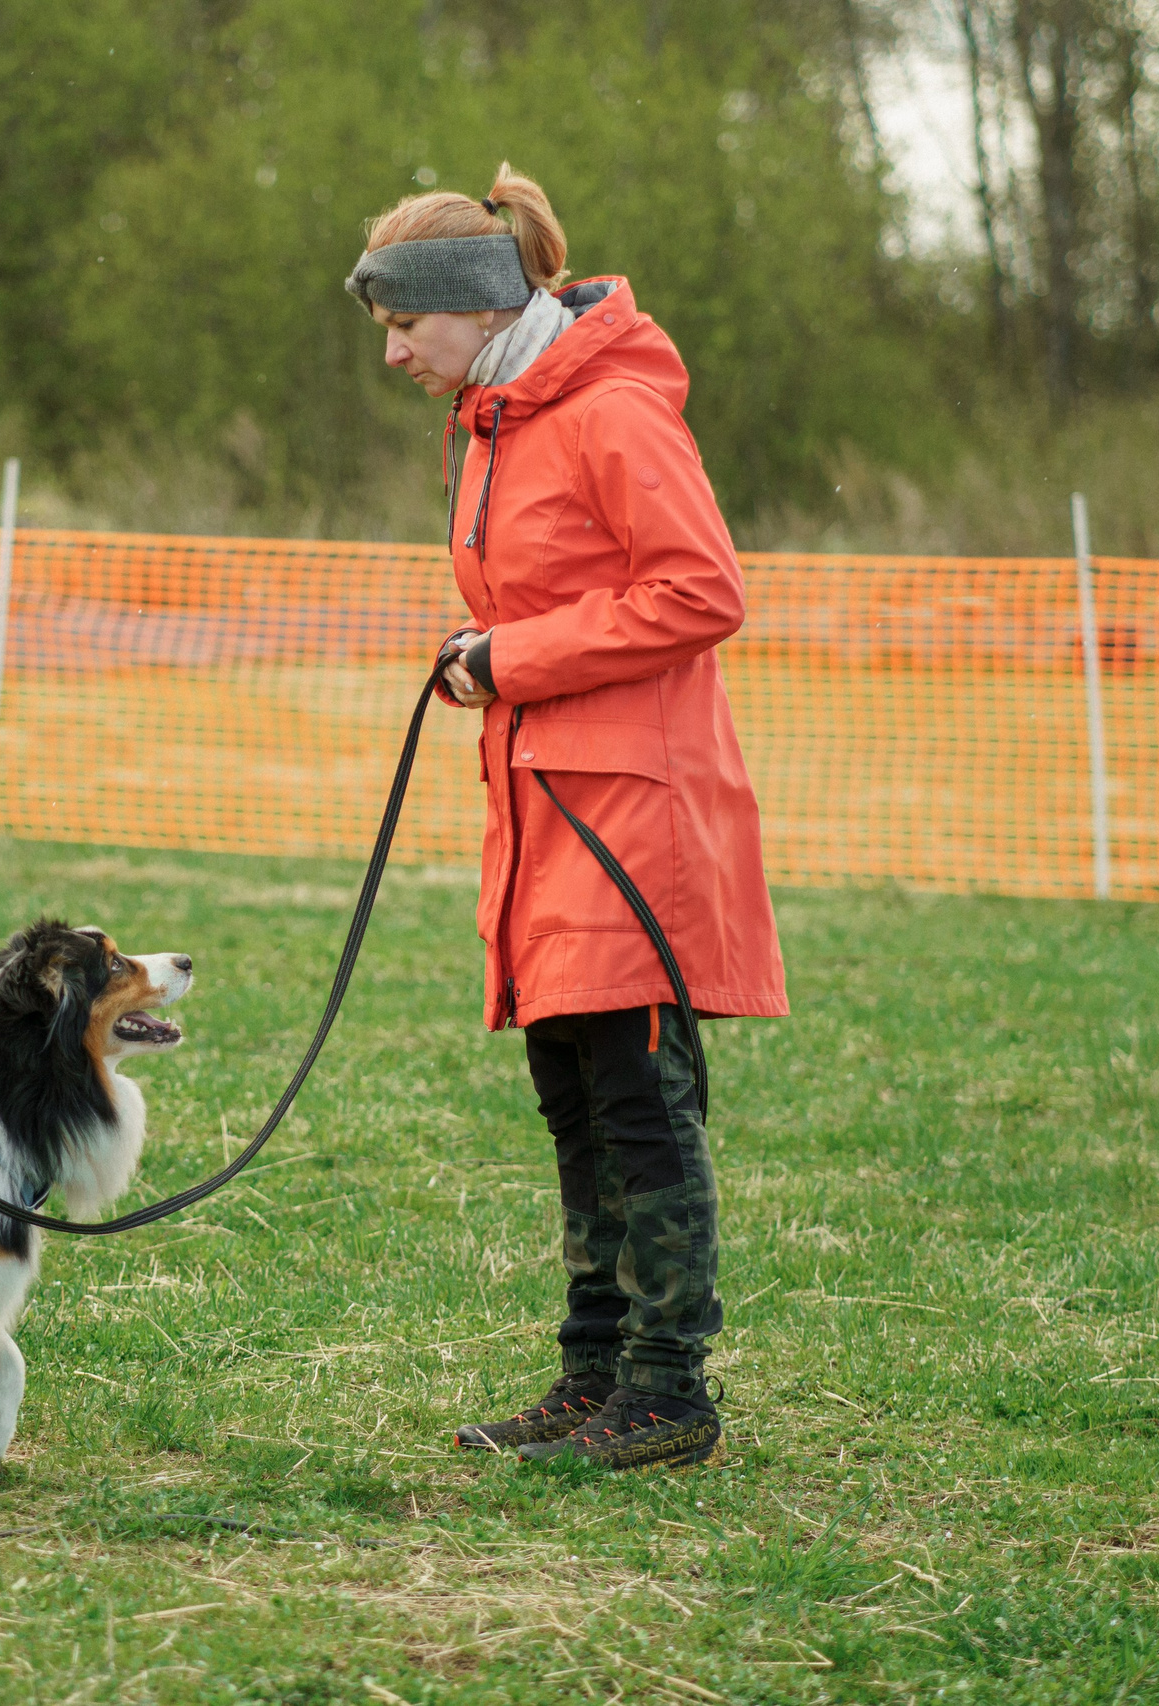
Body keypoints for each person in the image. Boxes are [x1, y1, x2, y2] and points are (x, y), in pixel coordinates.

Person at [346, 165, 787, 1470]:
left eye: (404, 324)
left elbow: (701, 591)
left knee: (637, 1104)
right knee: (575, 1099)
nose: (392, 352)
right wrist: (486, 650)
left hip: (631, 819)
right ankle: (593, 1375)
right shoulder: (499, 416)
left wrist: (513, 657)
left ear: (477, 306)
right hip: (546, 809)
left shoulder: (610, 410)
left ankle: (667, 1391)